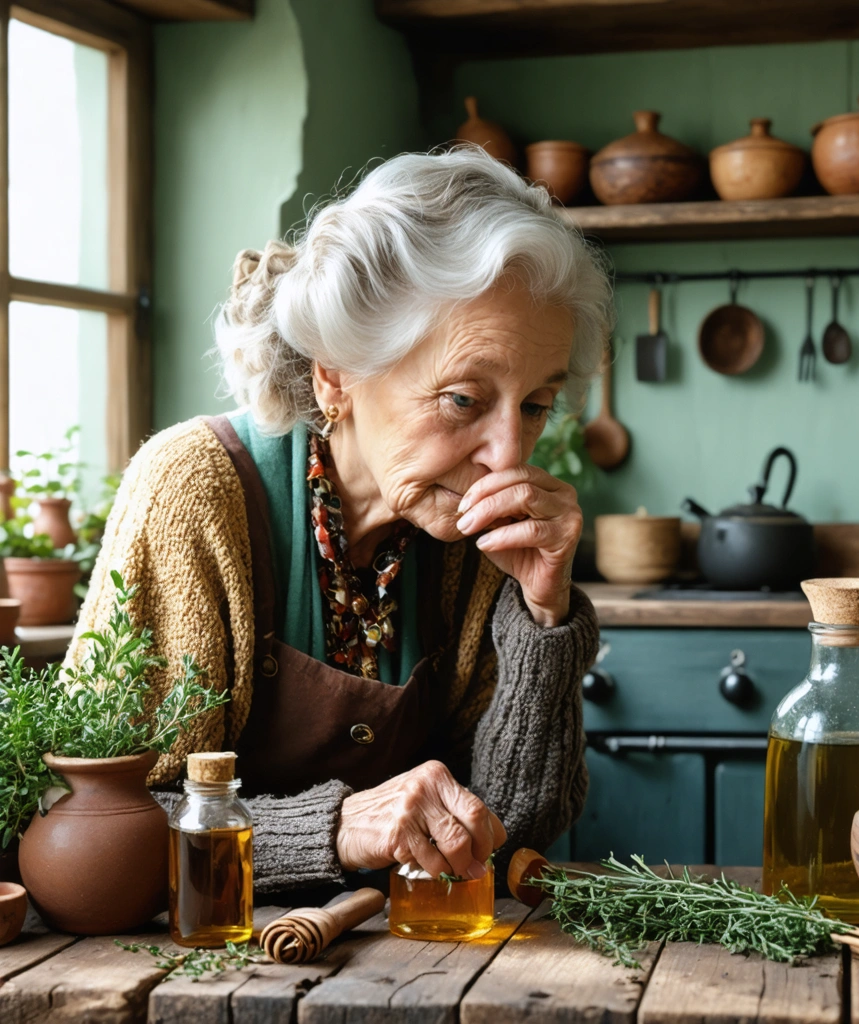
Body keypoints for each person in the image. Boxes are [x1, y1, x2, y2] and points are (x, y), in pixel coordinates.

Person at [67, 147, 613, 892]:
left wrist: (542, 618)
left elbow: (512, 824)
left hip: (402, 963)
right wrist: (334, 829)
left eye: (536, 404)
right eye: (463, 399)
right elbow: (95, 824)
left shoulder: (475, 531)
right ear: (336, 375)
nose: (508, 455)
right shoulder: (194, 490)